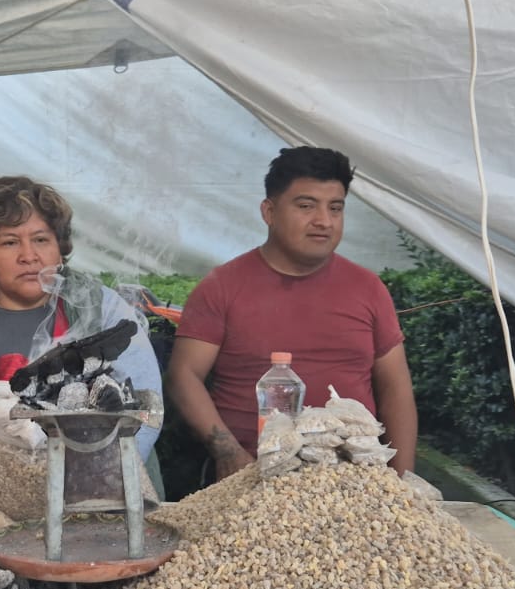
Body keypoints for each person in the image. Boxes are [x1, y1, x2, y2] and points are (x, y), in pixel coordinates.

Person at [0, 176, 163, 492]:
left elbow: (145, 414)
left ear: (60, 250)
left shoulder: (102, 307)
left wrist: (98, 488)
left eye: (41, 239)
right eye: (9, 242)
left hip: (97, 495)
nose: (28, 255)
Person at [168, 146, 417, 480]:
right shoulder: (221, 287)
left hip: (356, 480)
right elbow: (184, 376)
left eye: (336, 208)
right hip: (252, 474)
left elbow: (396, 390)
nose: (323, 221)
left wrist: (402, 482)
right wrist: (226, 451)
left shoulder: (368, 288)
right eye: (305, 206)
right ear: (269, 212)